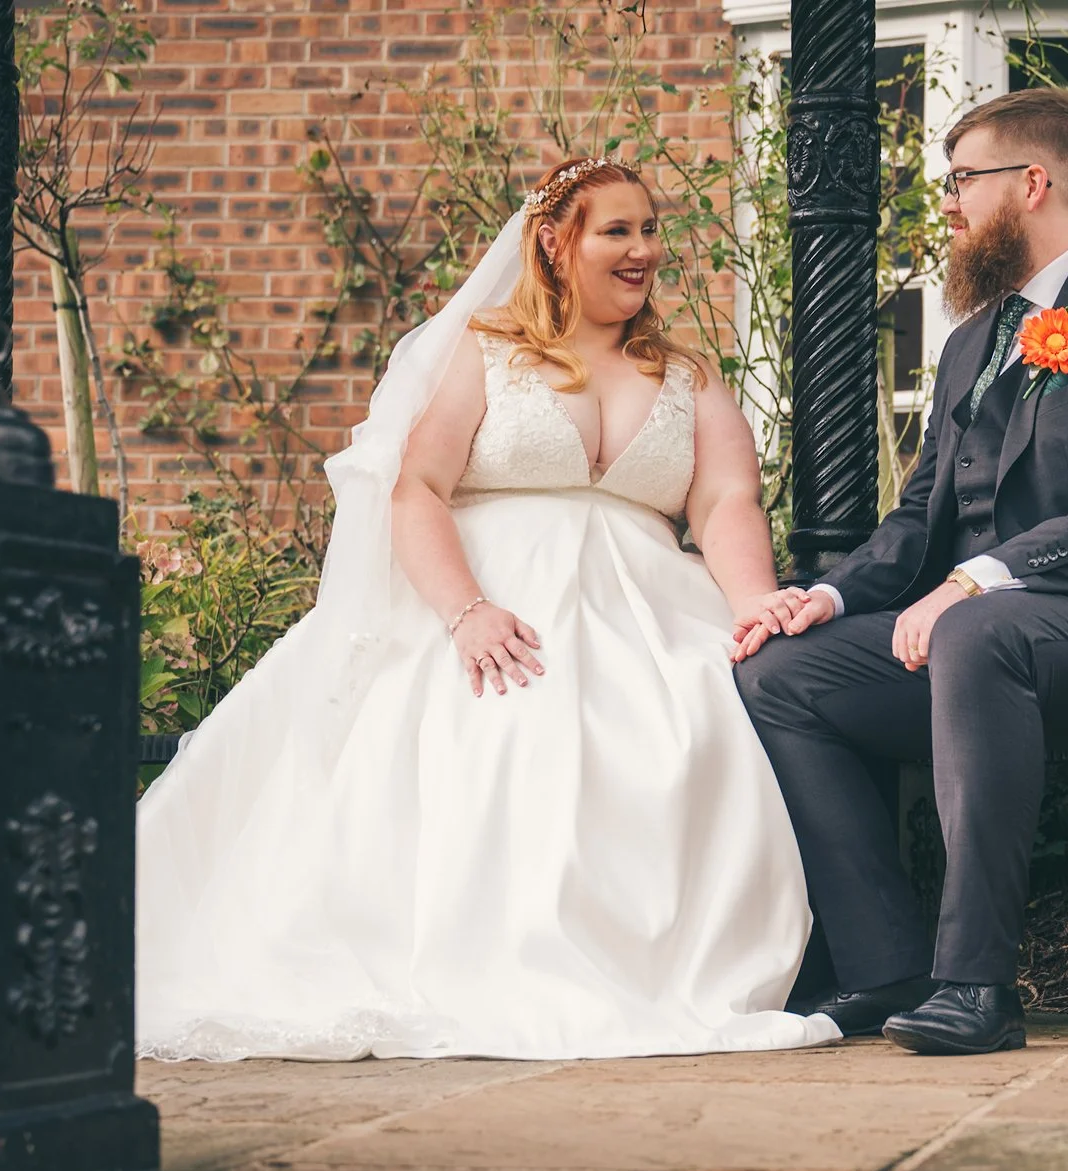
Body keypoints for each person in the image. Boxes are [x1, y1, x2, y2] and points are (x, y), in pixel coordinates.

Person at [135, 157, 840, 1061]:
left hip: (649, 603)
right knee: (511, 733)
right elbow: (417, 487)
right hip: (491, 599)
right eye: (616, 231)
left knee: (706, 715)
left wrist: (750, 605)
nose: (643, 249)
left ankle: (662, 970)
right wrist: (465, 610)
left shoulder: (686, 375)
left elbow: (725, 500)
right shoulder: (484, 349)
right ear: (554, 241)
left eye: (649, 229)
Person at [733, 88, 1068, 1055]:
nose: (947, 203)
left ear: (1032, 183)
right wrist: (824, 595)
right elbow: (921, 517)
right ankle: (885, 964)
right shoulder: (969, 342)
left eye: (961, 180)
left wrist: (977, 579)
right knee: (780, 672)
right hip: (967, 643)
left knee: (976, 626)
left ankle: (976, 985)